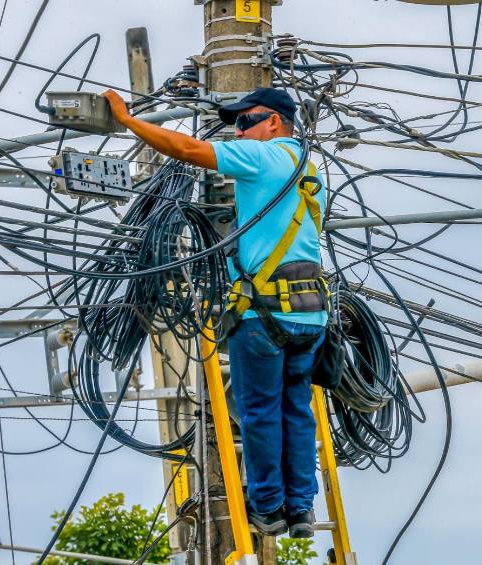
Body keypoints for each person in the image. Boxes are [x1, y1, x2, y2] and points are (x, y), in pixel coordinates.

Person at [103, 87, 327, 538]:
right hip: (311, 315)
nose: (238, 131)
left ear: (275, 123)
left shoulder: (264, 160)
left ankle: (268, 508)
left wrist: (128, 121)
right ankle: (301, 509)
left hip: (263, 315)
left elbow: (187, 149)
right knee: (296, 411)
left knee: (261, 412)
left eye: (247, 122)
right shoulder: (306, 166)